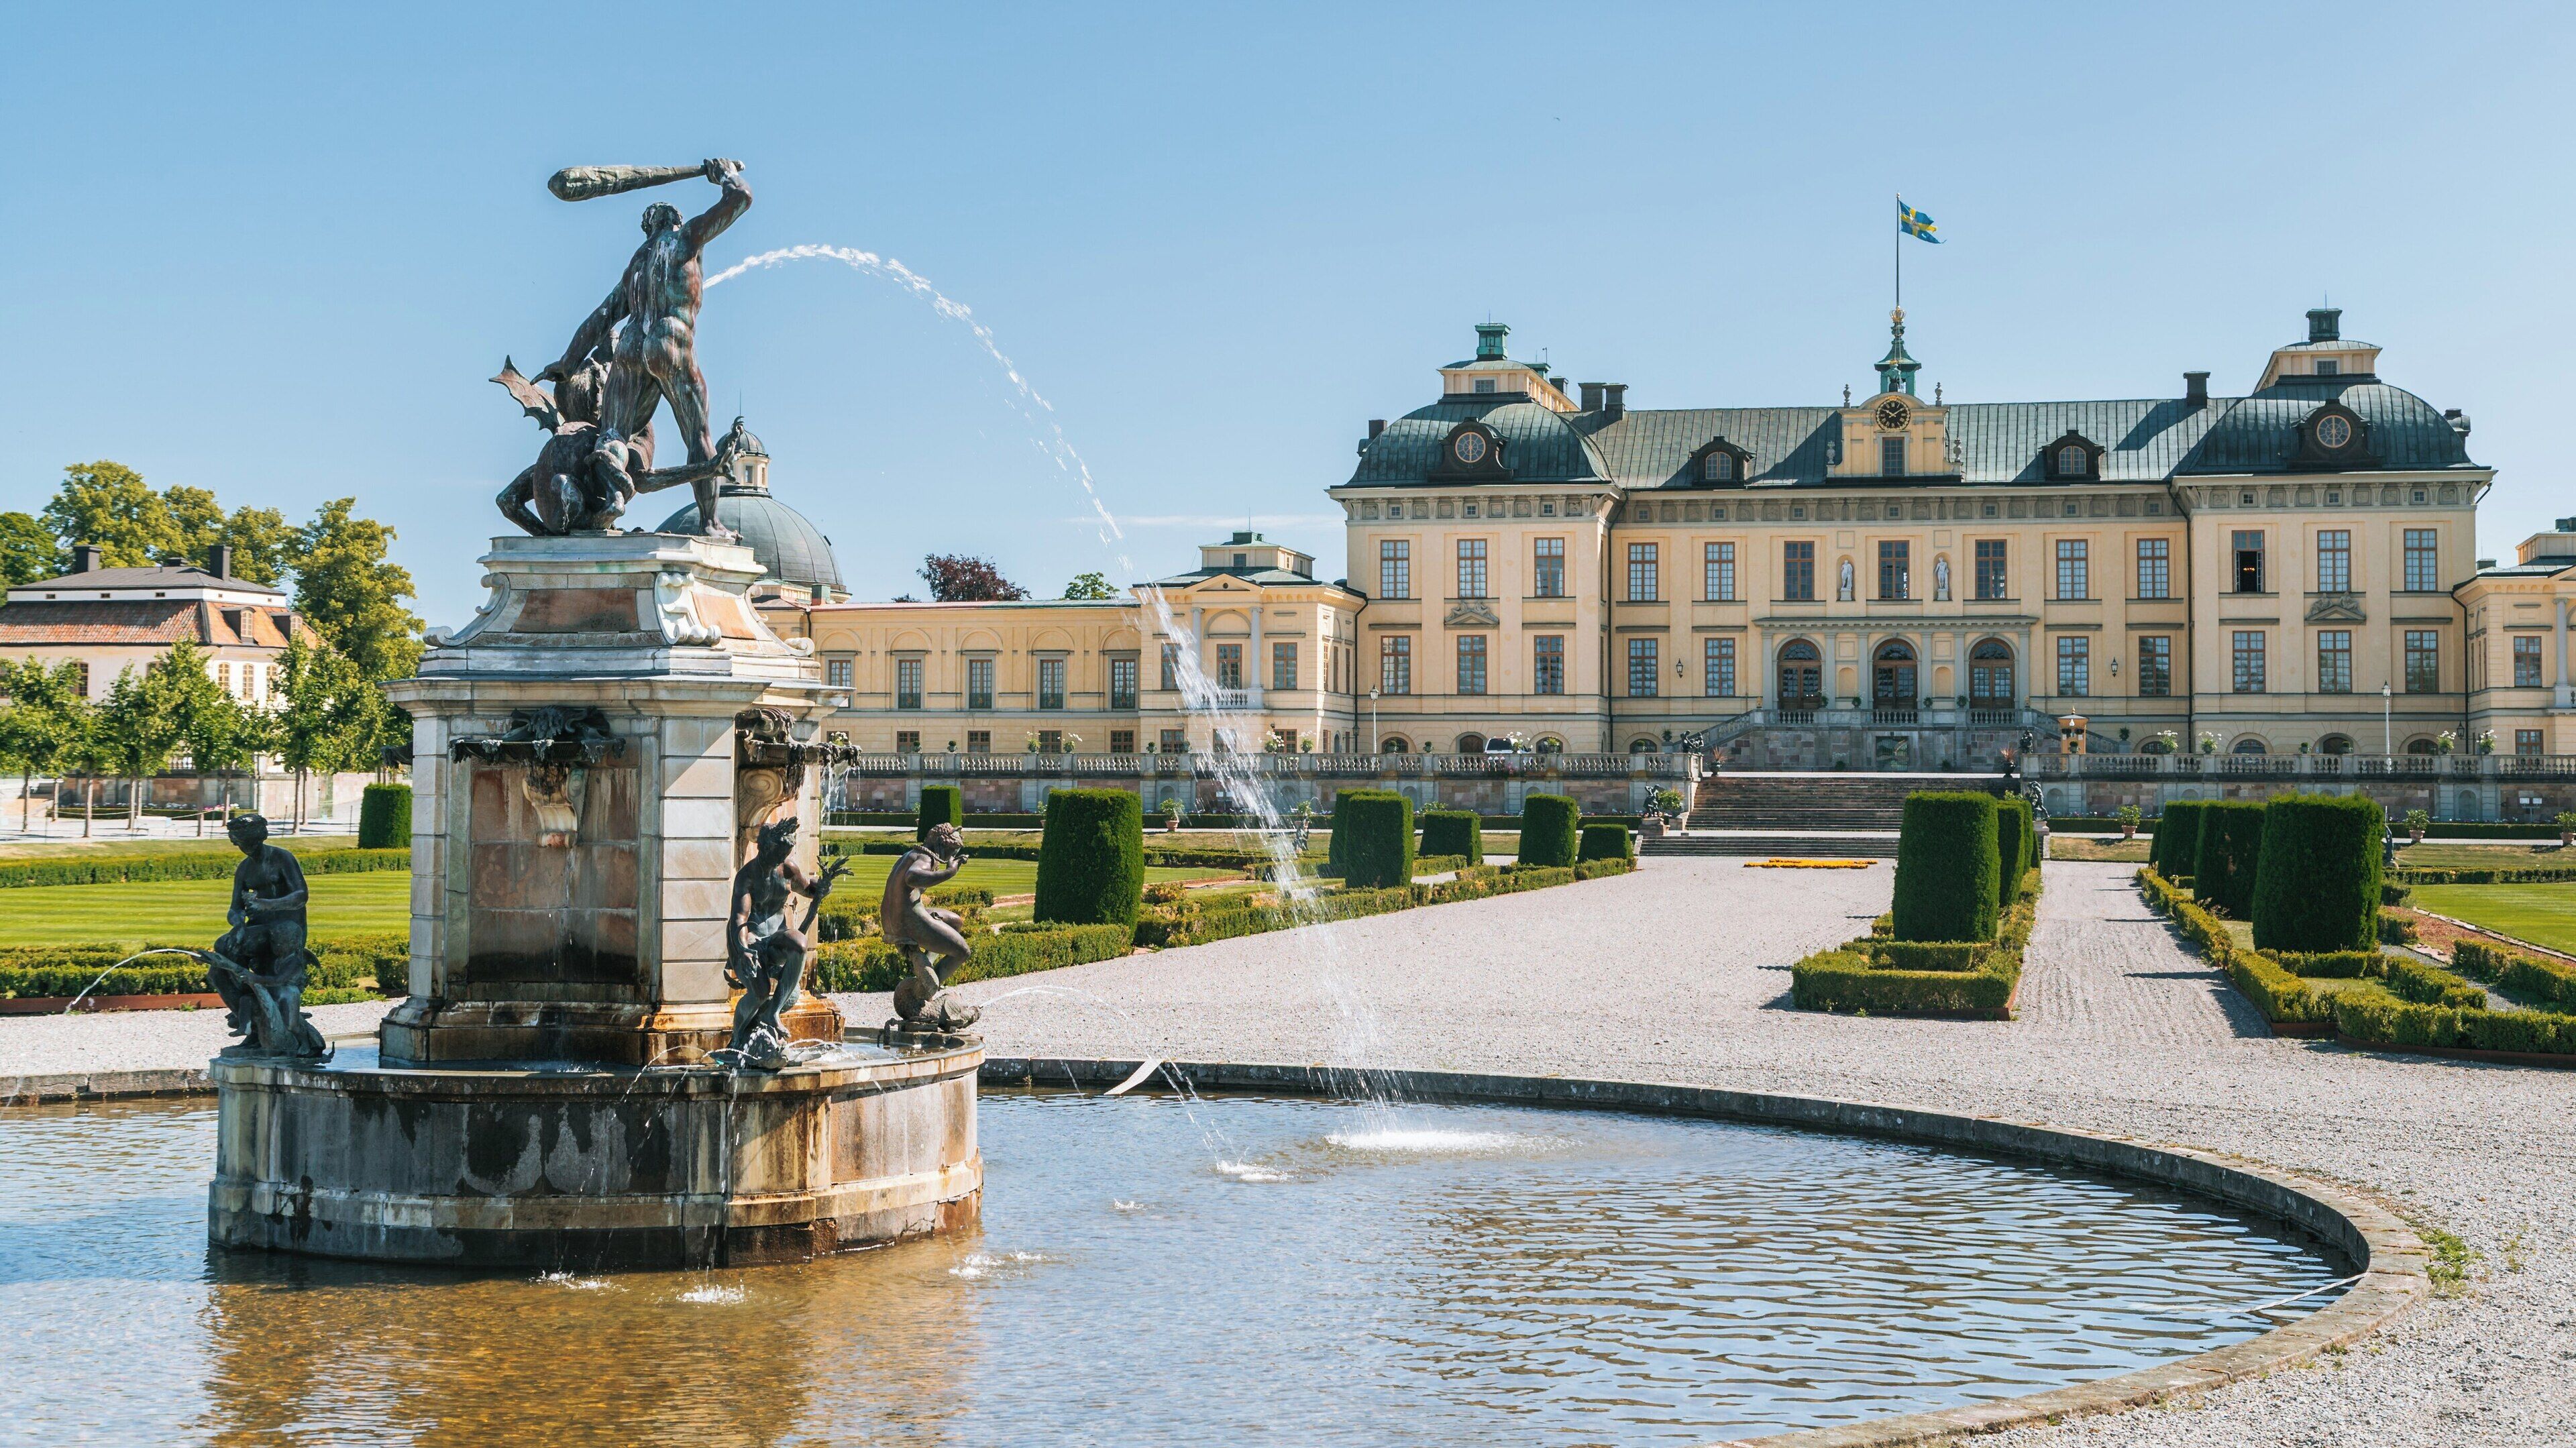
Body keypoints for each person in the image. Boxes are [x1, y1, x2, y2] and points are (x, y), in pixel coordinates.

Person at [545, 158, 753, 541]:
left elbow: (601, 317)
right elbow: (740, 198)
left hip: (629, 344)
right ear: (674, 221)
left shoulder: (636, 265)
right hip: (669, 341)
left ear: (647, 228)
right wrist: (725, 174)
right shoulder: (685, 239)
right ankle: (710, 523)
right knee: (698, 436)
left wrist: (568, 362)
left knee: (613, 434)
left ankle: (613, 497)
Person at [724, 817, 845, 1067]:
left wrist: (823, 887)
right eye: (778, 853)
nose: (781, 859)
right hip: (748, 939)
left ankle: (772, 1014)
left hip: (776, 936)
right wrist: (744, 950)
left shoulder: (787, 869)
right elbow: (739, 917)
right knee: (758, 993)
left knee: (799, 943)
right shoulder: (747, 877)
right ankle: (737, 1041)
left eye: (785, 854)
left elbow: (809, 889)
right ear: (764, 848)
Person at [209, 813, 321, 1058]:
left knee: (279, 970)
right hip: (258, 928)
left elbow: (301, 895)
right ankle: (247, 1020)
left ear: (257, 838)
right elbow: (234, 908)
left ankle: (282, 1030)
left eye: (240, 841)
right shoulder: (245, 868)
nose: (238, 846)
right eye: (235, 841)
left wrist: (268, 905)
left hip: (287, 925)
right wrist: (237, 923)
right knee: (219, 963)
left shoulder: (282, 858)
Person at [881, 823, 980, 1030]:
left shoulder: (913, 853)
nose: (952, 857)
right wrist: (950, 872)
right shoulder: (926, 859)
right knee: (962, 952)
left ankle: (927, 964)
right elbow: (912, 877)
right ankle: (926, 991)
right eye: (952, 851)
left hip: (897, 916)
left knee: (955, 922)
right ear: (940, 844)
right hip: (907, 921)